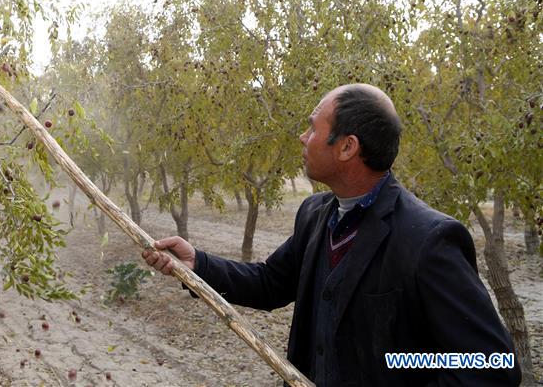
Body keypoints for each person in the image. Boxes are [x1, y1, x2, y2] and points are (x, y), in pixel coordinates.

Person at [142, 84, 521, 386]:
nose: (302, 137)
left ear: (346, 147)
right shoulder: (315, 215)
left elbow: (492, 365)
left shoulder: (427, 239)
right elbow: (272, 283)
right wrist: (197, 264)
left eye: (313, 128)